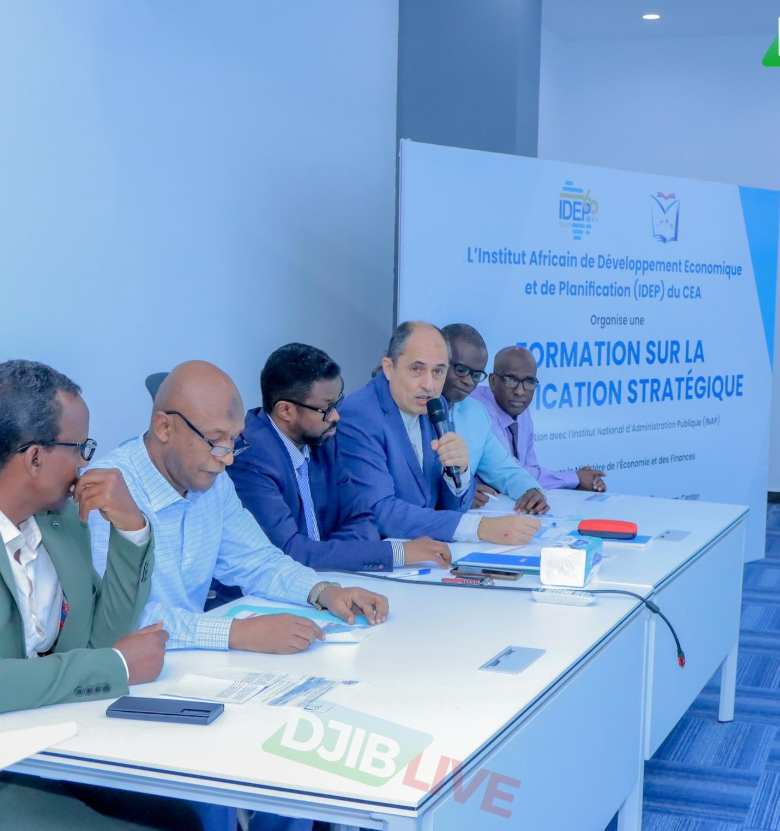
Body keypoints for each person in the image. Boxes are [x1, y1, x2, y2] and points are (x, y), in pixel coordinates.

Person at [89, 360, 389, 656]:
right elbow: (120, 618)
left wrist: (323, 591)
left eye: (234, 439)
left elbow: (256, 560)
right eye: (215, 440)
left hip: (190, 659)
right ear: (164, 427)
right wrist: (237, 632)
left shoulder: (212, 478)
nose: (228, 457)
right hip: (125, 667)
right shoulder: (108, 491)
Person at [0, 359, 174, 829]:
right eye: (80, 448)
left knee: (180, 814)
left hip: (51, 742)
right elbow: (107, 658)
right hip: (10, 767)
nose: (86, 464)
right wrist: (114, 666)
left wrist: (131, 529)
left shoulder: (58, 522)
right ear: (34, 458)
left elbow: (102, 636)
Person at [228, 344, 451, 571]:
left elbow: (363, 521)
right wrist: (397, 553)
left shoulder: (323, 441)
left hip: (327, 579)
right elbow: (289, 553)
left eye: (337, 403)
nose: (335, 416)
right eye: (326, 409)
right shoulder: (250, 456)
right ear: (285, 410)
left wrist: (322, 554)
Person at [338, 322, 540, 545]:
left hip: (429, 549)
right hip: (379, 555)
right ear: (388, 368)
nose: (429, 385)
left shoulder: (436, 405)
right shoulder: (360, 414)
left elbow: (452, 504)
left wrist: (459, 473)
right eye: (417, 369)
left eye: (438, 371)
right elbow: (379, 511)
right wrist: (479, 528)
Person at [439, 324, 549, 513]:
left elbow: (504, 470)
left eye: (476, 375)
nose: (468, 381)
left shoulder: (475, 412)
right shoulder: (414, 409)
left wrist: (531, 490)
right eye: (461, 370)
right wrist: (462, 494)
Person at [472, 346, 607, 492]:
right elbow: (509, 472)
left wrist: (578, 483)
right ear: (492, 381)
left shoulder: (519, 407)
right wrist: (574, 479)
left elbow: (530, 469)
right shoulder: (477, 408)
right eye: (510, 380)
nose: (520, 391)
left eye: (529, 382)